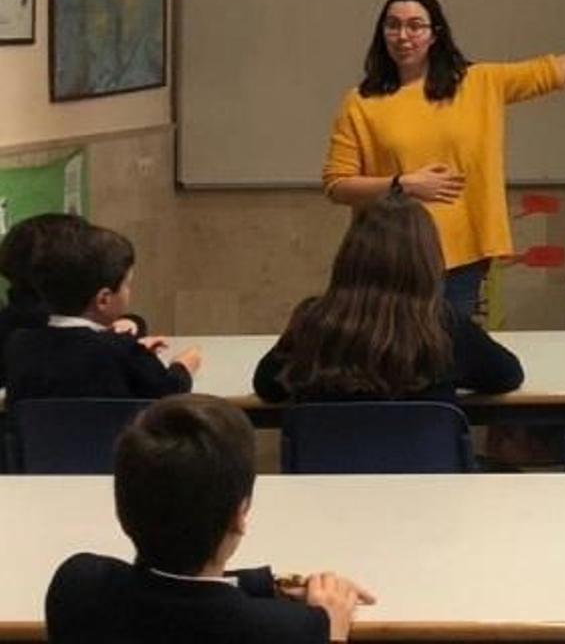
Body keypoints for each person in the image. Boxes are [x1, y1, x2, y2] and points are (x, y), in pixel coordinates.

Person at [321, 0, 565, 321]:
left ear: (435, 33)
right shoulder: (361, 102)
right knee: (389, 355)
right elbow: (337, 185)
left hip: (461, 255)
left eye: (415, 26)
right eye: (393, 25)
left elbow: (552, 70)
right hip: (391, 254)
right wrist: (402, 184)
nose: (403, 36)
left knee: (448, 355)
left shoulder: (477, 83)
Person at [45, 394, 373, 643]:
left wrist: (268, 585)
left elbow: (173, 593)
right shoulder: (293, 629)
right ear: (239, 516)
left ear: (121, 510)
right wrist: (331, 627)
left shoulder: (78, 585)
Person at [253, 192, 523, 403]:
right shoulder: (447, 327)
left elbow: (267, 387)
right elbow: (508, 376)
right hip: (425, 472)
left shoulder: (313, 321)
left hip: (327, 472)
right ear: (427, 259)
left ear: (350, 255)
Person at [4, 222, 200, 403]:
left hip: (39, 441)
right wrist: (182, 366)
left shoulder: (19, 346)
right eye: (127, 285)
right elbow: (169, 392)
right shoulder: (123, 350)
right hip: (114, 441)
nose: (129, 291)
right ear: (104, 299)